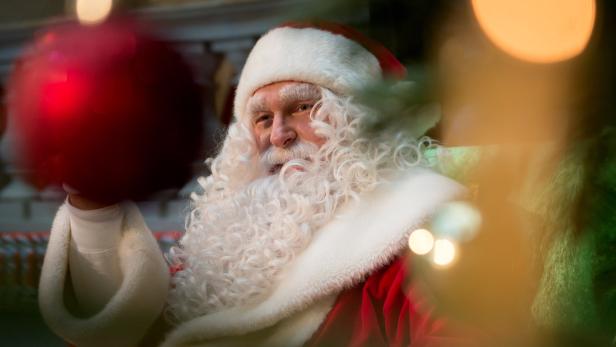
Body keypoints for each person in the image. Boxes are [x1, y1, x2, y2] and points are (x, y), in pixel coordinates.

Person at [38, 23, 468, 347]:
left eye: (302, 108)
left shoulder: (413, 228)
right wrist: (94, 205)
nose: (278, 135)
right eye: (262, 118)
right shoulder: (236, 238)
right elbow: (132, 328)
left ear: (357, 123)